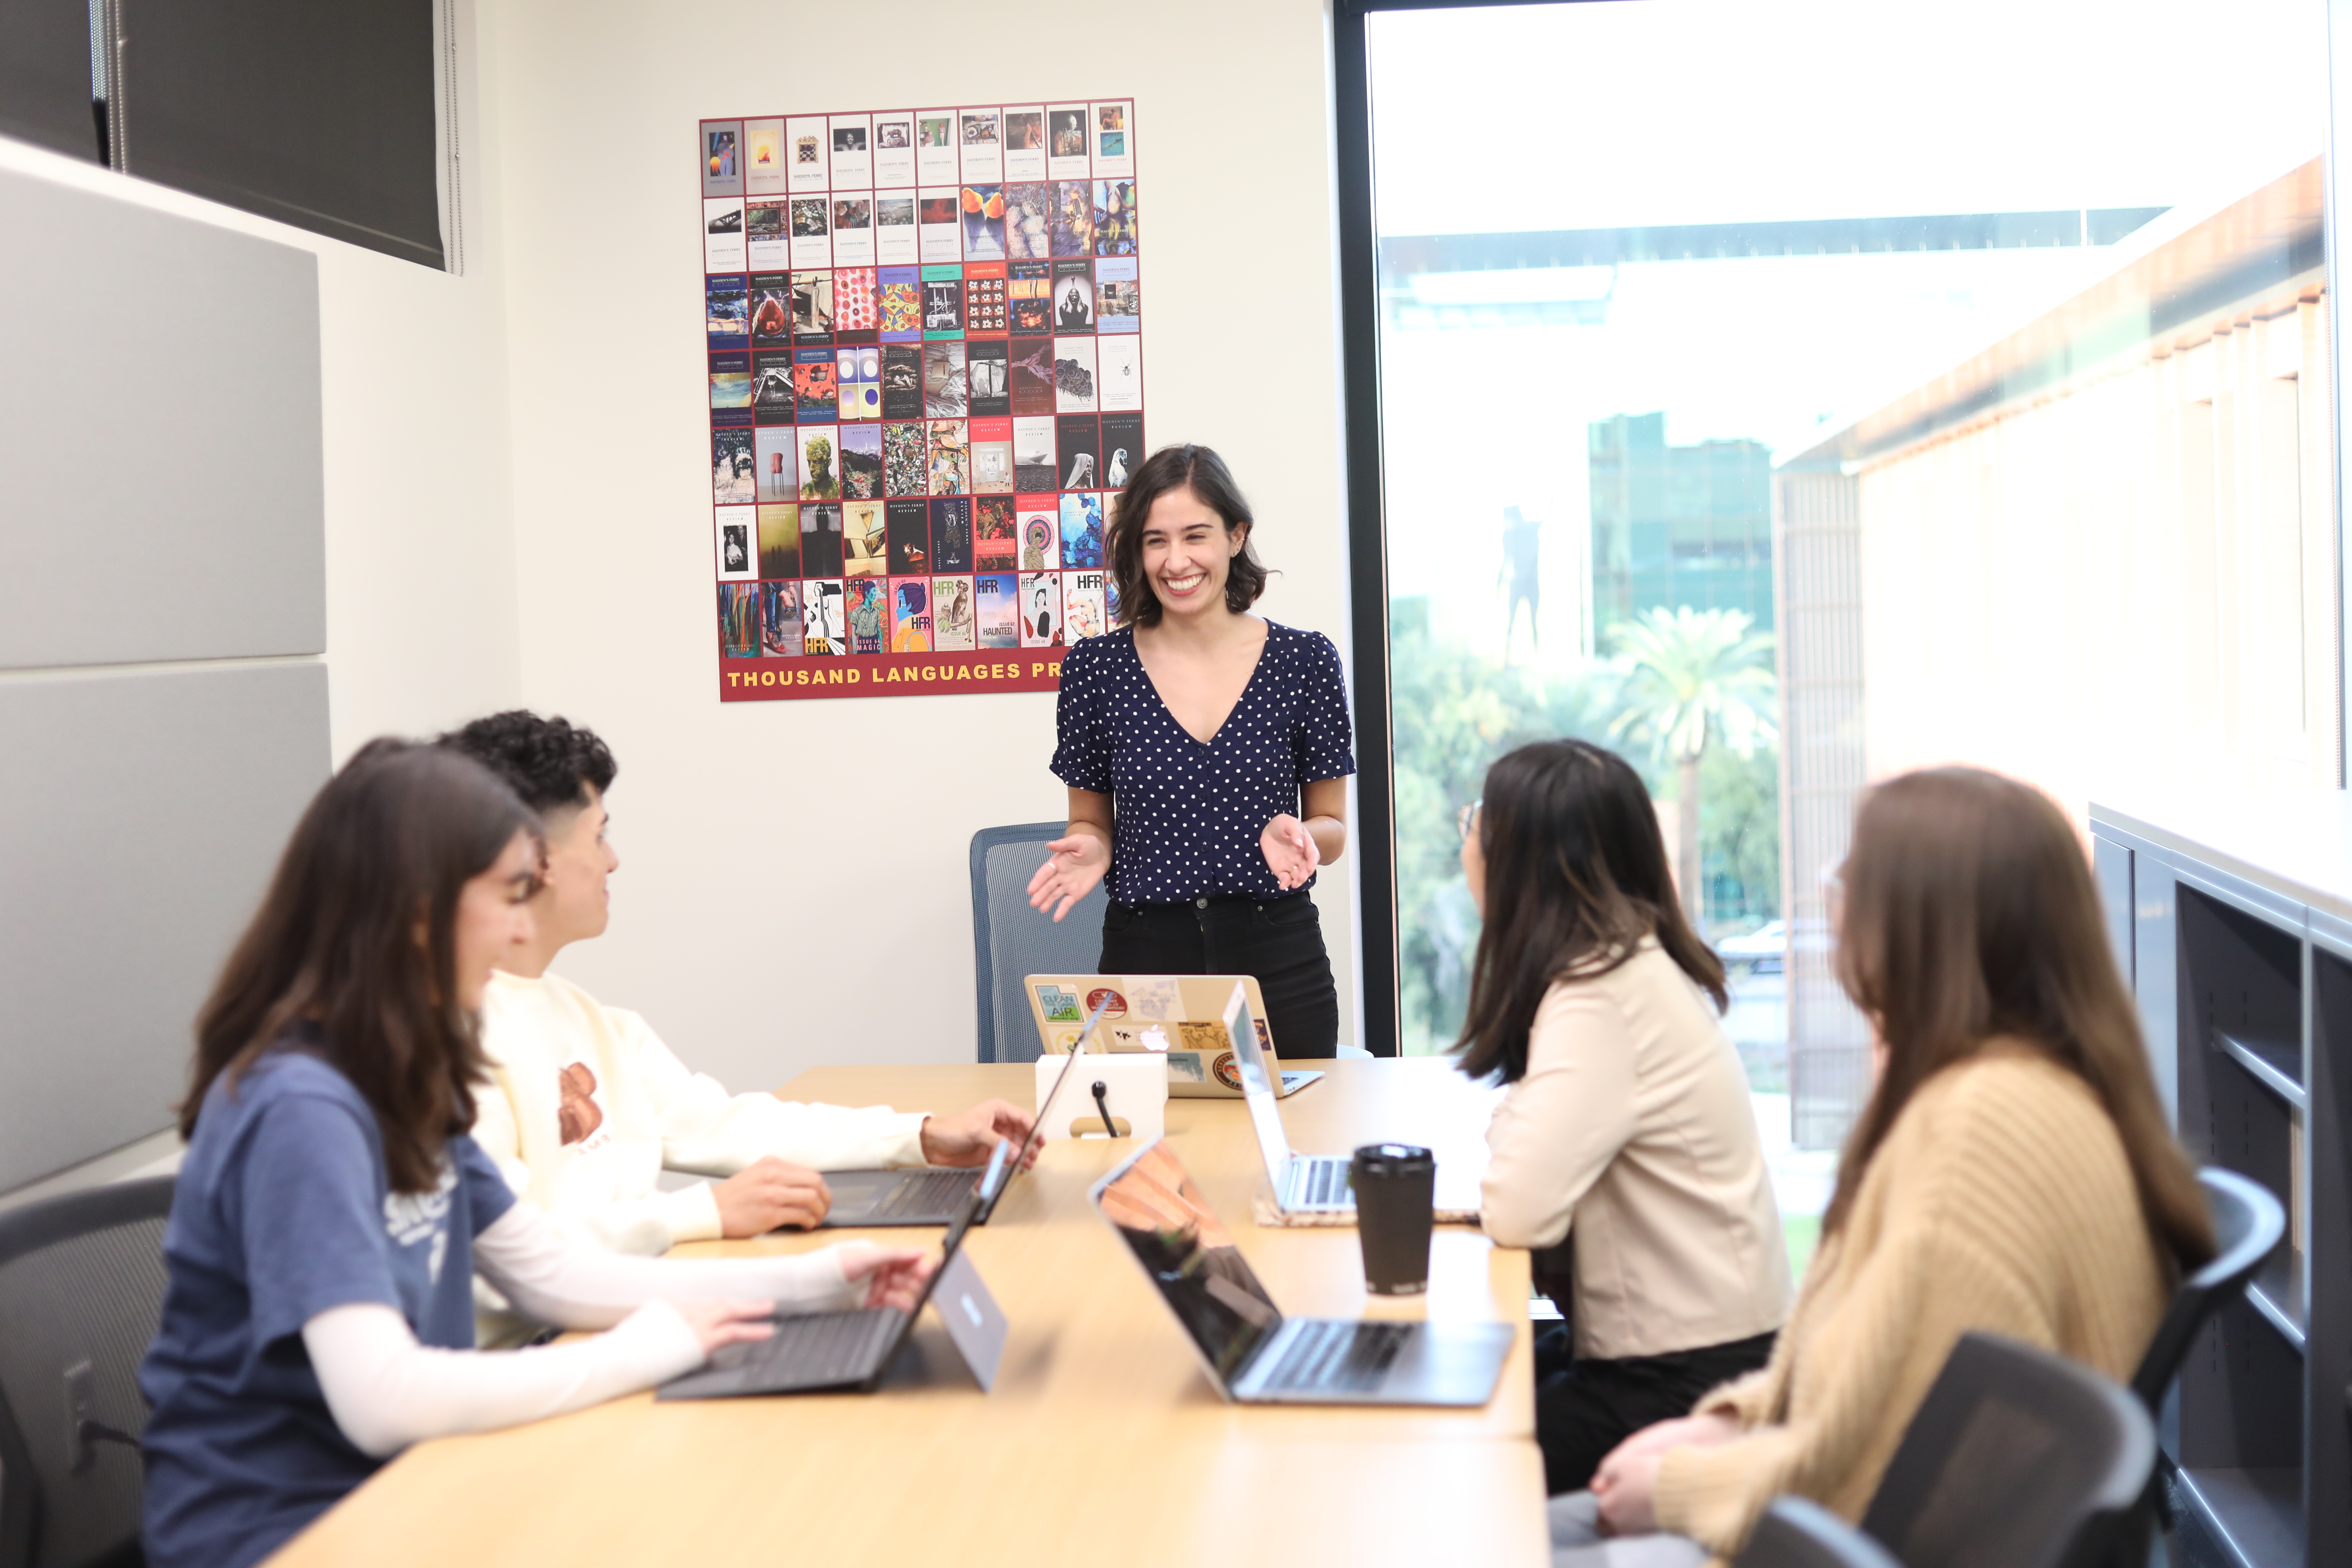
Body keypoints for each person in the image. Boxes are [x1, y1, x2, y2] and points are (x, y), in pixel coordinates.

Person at [139, 742, 930, 1568]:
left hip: (414, 1486)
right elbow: (379, 1396)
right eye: (510, 896)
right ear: (419, 907)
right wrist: (640, 1352)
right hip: (287, 1531)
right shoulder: (303, 1106)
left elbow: (554, 1276)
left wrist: (818, 1280)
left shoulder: (405, 1075)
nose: (523, 927)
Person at [1550, 767, 2215, 1566]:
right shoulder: (2028, 1080)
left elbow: (1885, 1471)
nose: (1834, 900)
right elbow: (1860, 1367)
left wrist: (1681, 1486)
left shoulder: (1980, 1135)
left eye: (1852, 877)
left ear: (1914, 924)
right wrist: (1729, 1423)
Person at [438, 712, 1031, 1344]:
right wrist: (703, 1213)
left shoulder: (592, 1020)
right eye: (599, 835)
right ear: (535, 860)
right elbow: (502, 1265)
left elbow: (730, 1126)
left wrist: (921, 1137)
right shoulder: (450, 1043)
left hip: (627, 1313)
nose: (613, 861)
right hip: (539, 1350)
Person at [1458, 741, 1786, 1497]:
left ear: (1525, 861)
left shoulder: (1601, 992)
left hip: (1684, 1380)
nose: (1468, 840)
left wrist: (1519, 1118)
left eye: (1478, 821)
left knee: (1453, 1468)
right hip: (1690, 1350)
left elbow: (1516, 1206)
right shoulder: (1622, 966)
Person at [1030, 443, 1354, 1057]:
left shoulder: (1305, 662)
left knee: (1292, 1143)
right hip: (1146, 959)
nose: (1176, 561)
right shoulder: (1095, 670)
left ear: (1236, 536)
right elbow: (1091, 822)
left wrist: (1307, 836)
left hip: (1277, 961)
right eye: (1155, 541)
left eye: (1195, 536)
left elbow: (1334, 826)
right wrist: (1094, 849)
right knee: (1149, 1143)